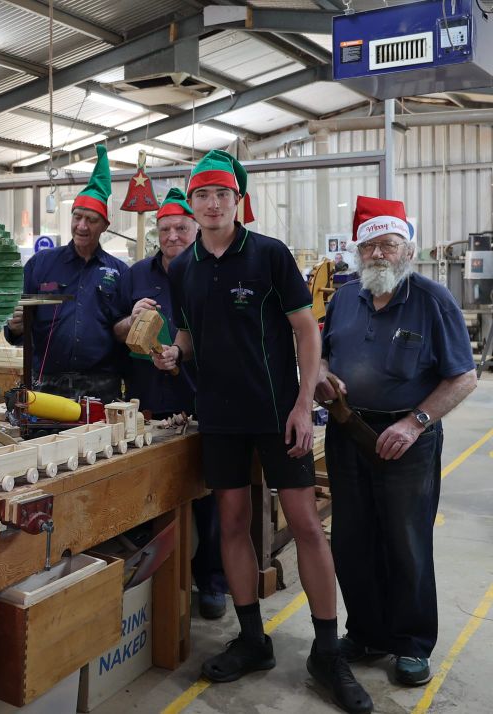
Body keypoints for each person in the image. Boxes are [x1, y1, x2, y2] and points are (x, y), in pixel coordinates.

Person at [154, 150, 372, 714]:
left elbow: (306, 332)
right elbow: (188, 335)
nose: (210, 203)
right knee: (231, 521)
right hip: (220, 417)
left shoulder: (270, 256)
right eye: (200, 194)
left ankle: (327, 651)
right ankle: (253, 639)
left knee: (304, 524)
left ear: (237, 200)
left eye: (220, 193)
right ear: (190, 202)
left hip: (279, 414)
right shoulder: (183, 268)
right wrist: (171, 354)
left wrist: (304, 405)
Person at [316, 196, 476, 686]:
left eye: (389, 245)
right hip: (349, 433)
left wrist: (415, 422)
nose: (379, 255)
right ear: (356, 252)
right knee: (352, 539)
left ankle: (410, 643)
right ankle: (366, 632)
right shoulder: (344, 298)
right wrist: (321, 374)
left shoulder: (432, 300)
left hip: (408, 439)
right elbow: (319, 357)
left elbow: (464, 377)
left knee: (405, 541)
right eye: (370, 246)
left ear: (408, 251)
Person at [112, 187, 227, 619]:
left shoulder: (209, 271)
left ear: (195, 228)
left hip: (198, 400)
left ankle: (211, 580)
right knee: (148, 495)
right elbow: (117, 331)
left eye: (181, 227)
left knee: (206, 496)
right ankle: (155, 579)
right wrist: (131, 320)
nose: (173, 235)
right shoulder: (136, 275)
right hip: (147, 404)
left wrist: (184, 353)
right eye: (165, 229)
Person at [5, 145, 127, 403]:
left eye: (91, 220)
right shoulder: (40, 264)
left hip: (101, 388)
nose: (82, 226)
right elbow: (16, 327)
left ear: (105, 225)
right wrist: (15, 327)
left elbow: (124, 330)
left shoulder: (119, 272)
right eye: (77, 217)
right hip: (48, 385)